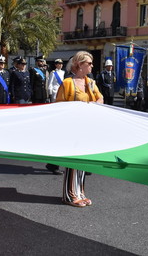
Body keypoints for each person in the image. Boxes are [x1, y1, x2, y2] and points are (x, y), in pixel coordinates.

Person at [56, 51, 103, 207]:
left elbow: (100, 98)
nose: (91, 66)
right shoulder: (68, 83)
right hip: (72, 127)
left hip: (87, 126)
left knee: (83, 161)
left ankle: (80, 192)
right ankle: (69, 195)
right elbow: (59, 105)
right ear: (79, 65)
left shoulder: (91, 82)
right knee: (72, 162)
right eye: (88, 63)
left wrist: (94, 103)